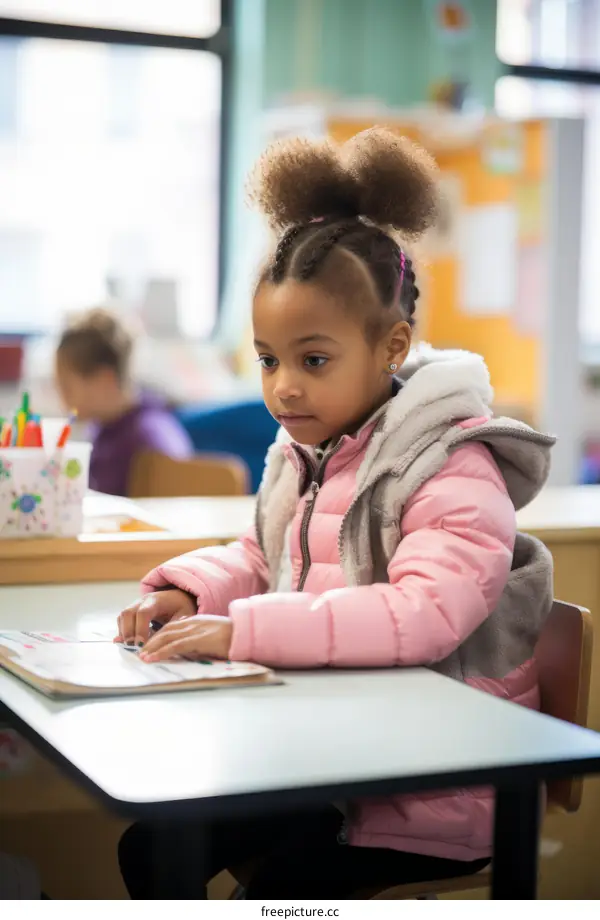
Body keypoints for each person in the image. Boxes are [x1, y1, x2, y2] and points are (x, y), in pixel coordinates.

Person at [115, 128, 555, 899]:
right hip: (331, 759)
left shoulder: (455, 465)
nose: (283, 387)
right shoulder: (305, 452)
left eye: (312, 360)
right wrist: (190, 592)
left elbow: (421, 614)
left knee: (281, 891)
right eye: (268, 358)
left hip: (427, 789)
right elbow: (264, 558)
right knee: (153, 848)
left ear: (392, 346)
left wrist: (244, 630)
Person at [55, 308, 193, 496]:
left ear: (105, 380)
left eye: (66, 386)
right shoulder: (104, 430)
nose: (61, 396)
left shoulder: (149, 437)